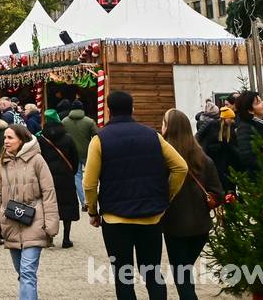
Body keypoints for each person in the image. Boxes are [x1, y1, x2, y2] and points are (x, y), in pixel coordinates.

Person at [83, 91, 188, 300]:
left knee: (123, 275)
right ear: (133, 109)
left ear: (108, 110)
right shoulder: (153, 136)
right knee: (152, 272)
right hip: (150, 216)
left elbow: (89, 183)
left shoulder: (99, 140)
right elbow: (181, 167)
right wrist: (167, 196)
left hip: (115, 218)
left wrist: (93, 211)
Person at [0, 124, 58, 300]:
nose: (5, 141)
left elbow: (49, 192)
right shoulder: (2, 163)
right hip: (11, 222)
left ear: (21, 139)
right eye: (4, 137)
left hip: (35, 219)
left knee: (27, 272)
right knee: (22, 272)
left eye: (10, 137)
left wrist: (51, 224)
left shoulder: (37, 160)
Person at [161, 109, 223, 300]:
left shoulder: (163, 158)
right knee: (185, 269)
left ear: (169, 128)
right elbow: (218, 193)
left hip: (175, 226)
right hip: (200, 226)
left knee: (182, 274)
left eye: (163, 122)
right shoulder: (203, 158)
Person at [37, 109, 80, 248]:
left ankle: (49, 238)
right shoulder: (68, 138)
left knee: (48, 206)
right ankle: (66, 239)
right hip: (65, 177)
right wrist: (71, 172)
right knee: (67, 206)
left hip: (46, 177)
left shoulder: (40, 139)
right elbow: (75, 159)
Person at [62, 99, 97, 212]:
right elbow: (97, 136)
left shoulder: (64, 121)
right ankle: (93, 201)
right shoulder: (89, 122)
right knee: (92, 177)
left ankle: (83, 202)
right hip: (88, 153)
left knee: (77, 177)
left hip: (71, 153)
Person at [195, 106, 238, 192]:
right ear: (225, 118)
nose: (233, 121)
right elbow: (198, 136)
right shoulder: (211, 124)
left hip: (222, 161)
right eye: (231, 118)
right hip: (210, 156)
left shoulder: (230, 128)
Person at [234, 90, 263, 174]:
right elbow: (248, 158)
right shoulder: (245, 129)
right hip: (262, 179)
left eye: (261, 100)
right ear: (250, 110)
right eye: (258, 103)